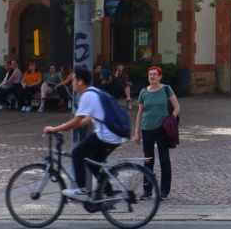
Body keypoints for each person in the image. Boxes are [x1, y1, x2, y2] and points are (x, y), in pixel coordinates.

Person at [43, 66, 126, 203]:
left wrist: (55, 129)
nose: (72, 83)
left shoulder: (87, 96)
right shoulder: (93, 92)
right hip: (115, 134)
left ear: (80, 81)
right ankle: (110, 193)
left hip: (107, 135)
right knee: (94, 163)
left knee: (77, 153)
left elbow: (76, 121)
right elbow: (87, 119)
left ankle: (81, 191)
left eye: (73, 80)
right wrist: (67, 126)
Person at [134, 65, 180, 201]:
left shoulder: (166, 89)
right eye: (150, 74)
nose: (152, 76)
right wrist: (136, 131)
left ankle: (164, 191)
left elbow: (177, 107)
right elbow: (140, 112)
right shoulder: (143, 92)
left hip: (162, 129)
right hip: (146, 128)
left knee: (164, 158)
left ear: (160, 76)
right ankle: (147, 190)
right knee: (148, 159)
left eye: (155, 74)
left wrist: (171, 118)